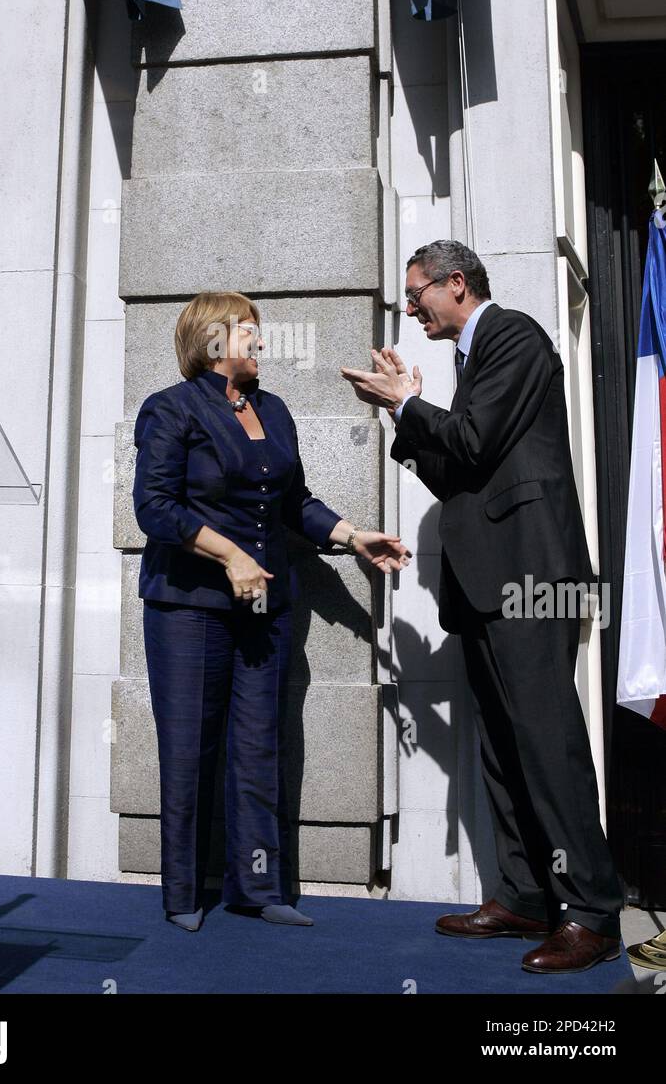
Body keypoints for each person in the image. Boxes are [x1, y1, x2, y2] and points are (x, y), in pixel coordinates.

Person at [341, 240, 624, 974]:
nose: (409, 309)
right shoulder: (474, 358)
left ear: (456, 283)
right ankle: (527, 895)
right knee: (502, 748)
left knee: (546, 744)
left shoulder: (514, 335)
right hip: (491, 585)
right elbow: (461, 470)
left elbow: (469, 438)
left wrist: (408, 401)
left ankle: (592, 911)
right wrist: (402, 417)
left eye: (416, 294)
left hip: (533, 578)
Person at [133, 291, 412, 932]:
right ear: (210, 343)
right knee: (188, 749)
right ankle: (181, 896)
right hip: (188, 607)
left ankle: (258, 886)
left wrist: (351, 536)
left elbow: (296, 504)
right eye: (248, 331)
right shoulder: (170, 410)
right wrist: (228, 553)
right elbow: (154, 509)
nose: (261, 341)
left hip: (264, 606)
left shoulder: (275, 411)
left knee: (259, 746)